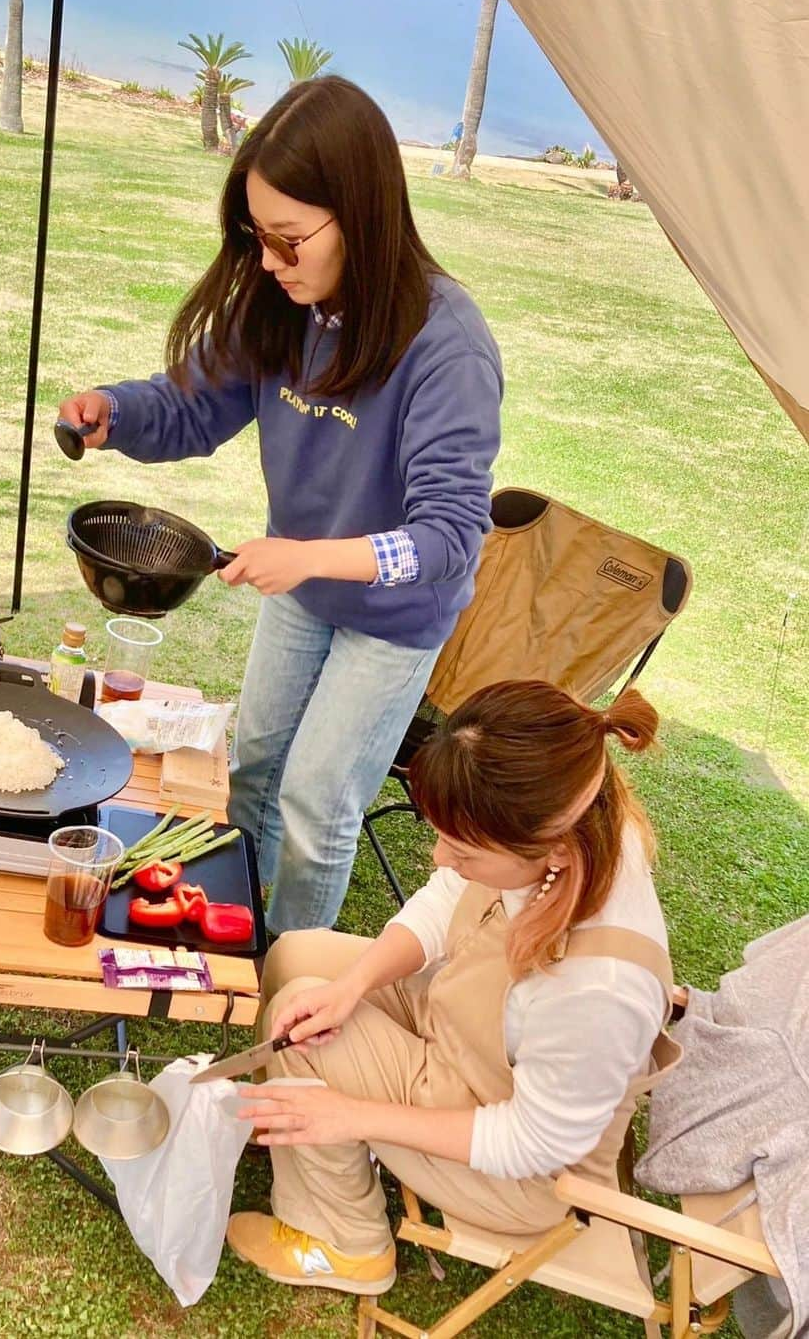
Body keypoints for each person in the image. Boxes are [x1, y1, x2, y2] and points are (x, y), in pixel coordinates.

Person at [58, 76, 502, 935]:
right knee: (254, 773)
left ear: (359, 215)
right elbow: (196, 403)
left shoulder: (446, 344)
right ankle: (234, 945)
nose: (269, 261)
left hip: (395, 615)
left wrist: (308, 555)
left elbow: (449, 534)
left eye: (290, 240)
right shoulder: (282, 302)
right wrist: (118, 411)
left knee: (313, 802)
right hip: (305, 587)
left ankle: (290, 999)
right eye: (258, 237)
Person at [226, 680, 679, 1297]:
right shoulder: (566, 814)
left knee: (305, 1044)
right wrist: (354, 984)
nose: (441, 859)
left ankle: (345, 1243)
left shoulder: (599, 993)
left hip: (522, 1171)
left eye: (465, 852)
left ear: (555, 853)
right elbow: (447, 902)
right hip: (471, 1030)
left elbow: (531, 1142)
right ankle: (295, 1129)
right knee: (298, 957)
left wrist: (351, 1113)